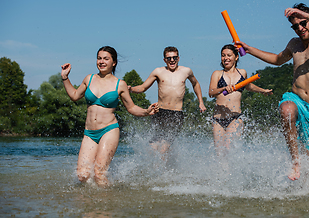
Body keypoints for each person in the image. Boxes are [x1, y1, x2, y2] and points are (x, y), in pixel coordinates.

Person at [236, 3, 309, 181]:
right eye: (295, 26)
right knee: (286, 109)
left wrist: (301, 14)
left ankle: (306, 190)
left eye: (303, 23)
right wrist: (250, 50)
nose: (300, 28)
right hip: (296, 99)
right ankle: (295, 161)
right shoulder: (294, 44)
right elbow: (277, 60)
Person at [61, 46, 159, 187]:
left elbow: (131, 107)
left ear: (113, 62)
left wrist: (146, 111)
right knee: (82, 175)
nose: (101, 61)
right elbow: (75, 96)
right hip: (89, 133)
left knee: (99, 174)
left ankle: (107, 205)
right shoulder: (89, 79)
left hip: (109, 130)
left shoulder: (120, 84)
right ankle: (88, 205)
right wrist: (65, 77)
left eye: (106, 59)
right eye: (99, 58)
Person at [129, 46, 206, 160]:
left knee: (163, 149)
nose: (172, 60)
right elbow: (143, 87)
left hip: (176, 114)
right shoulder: (158, 71)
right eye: (169, 58)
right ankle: (160, 169)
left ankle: (166, 174)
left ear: (178, 58)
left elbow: (196, 84)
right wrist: (130, 89)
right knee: (152, 148)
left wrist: (201, 102)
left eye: (174, 57)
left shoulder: (186, 71)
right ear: (164, 60)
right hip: (159, 113)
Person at [209, 44, 273, 158]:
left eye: (229, 55)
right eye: (223, 55)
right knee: (220, 154)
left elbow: (248, 86)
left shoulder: (242, 73)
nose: (225, 58)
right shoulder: (217, 74)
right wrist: (223, 88)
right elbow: (211, 92)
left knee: (228, 148)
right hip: (218, 119)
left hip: (235, 117)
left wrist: (263, 90)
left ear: (236, 57)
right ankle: (223, 175)